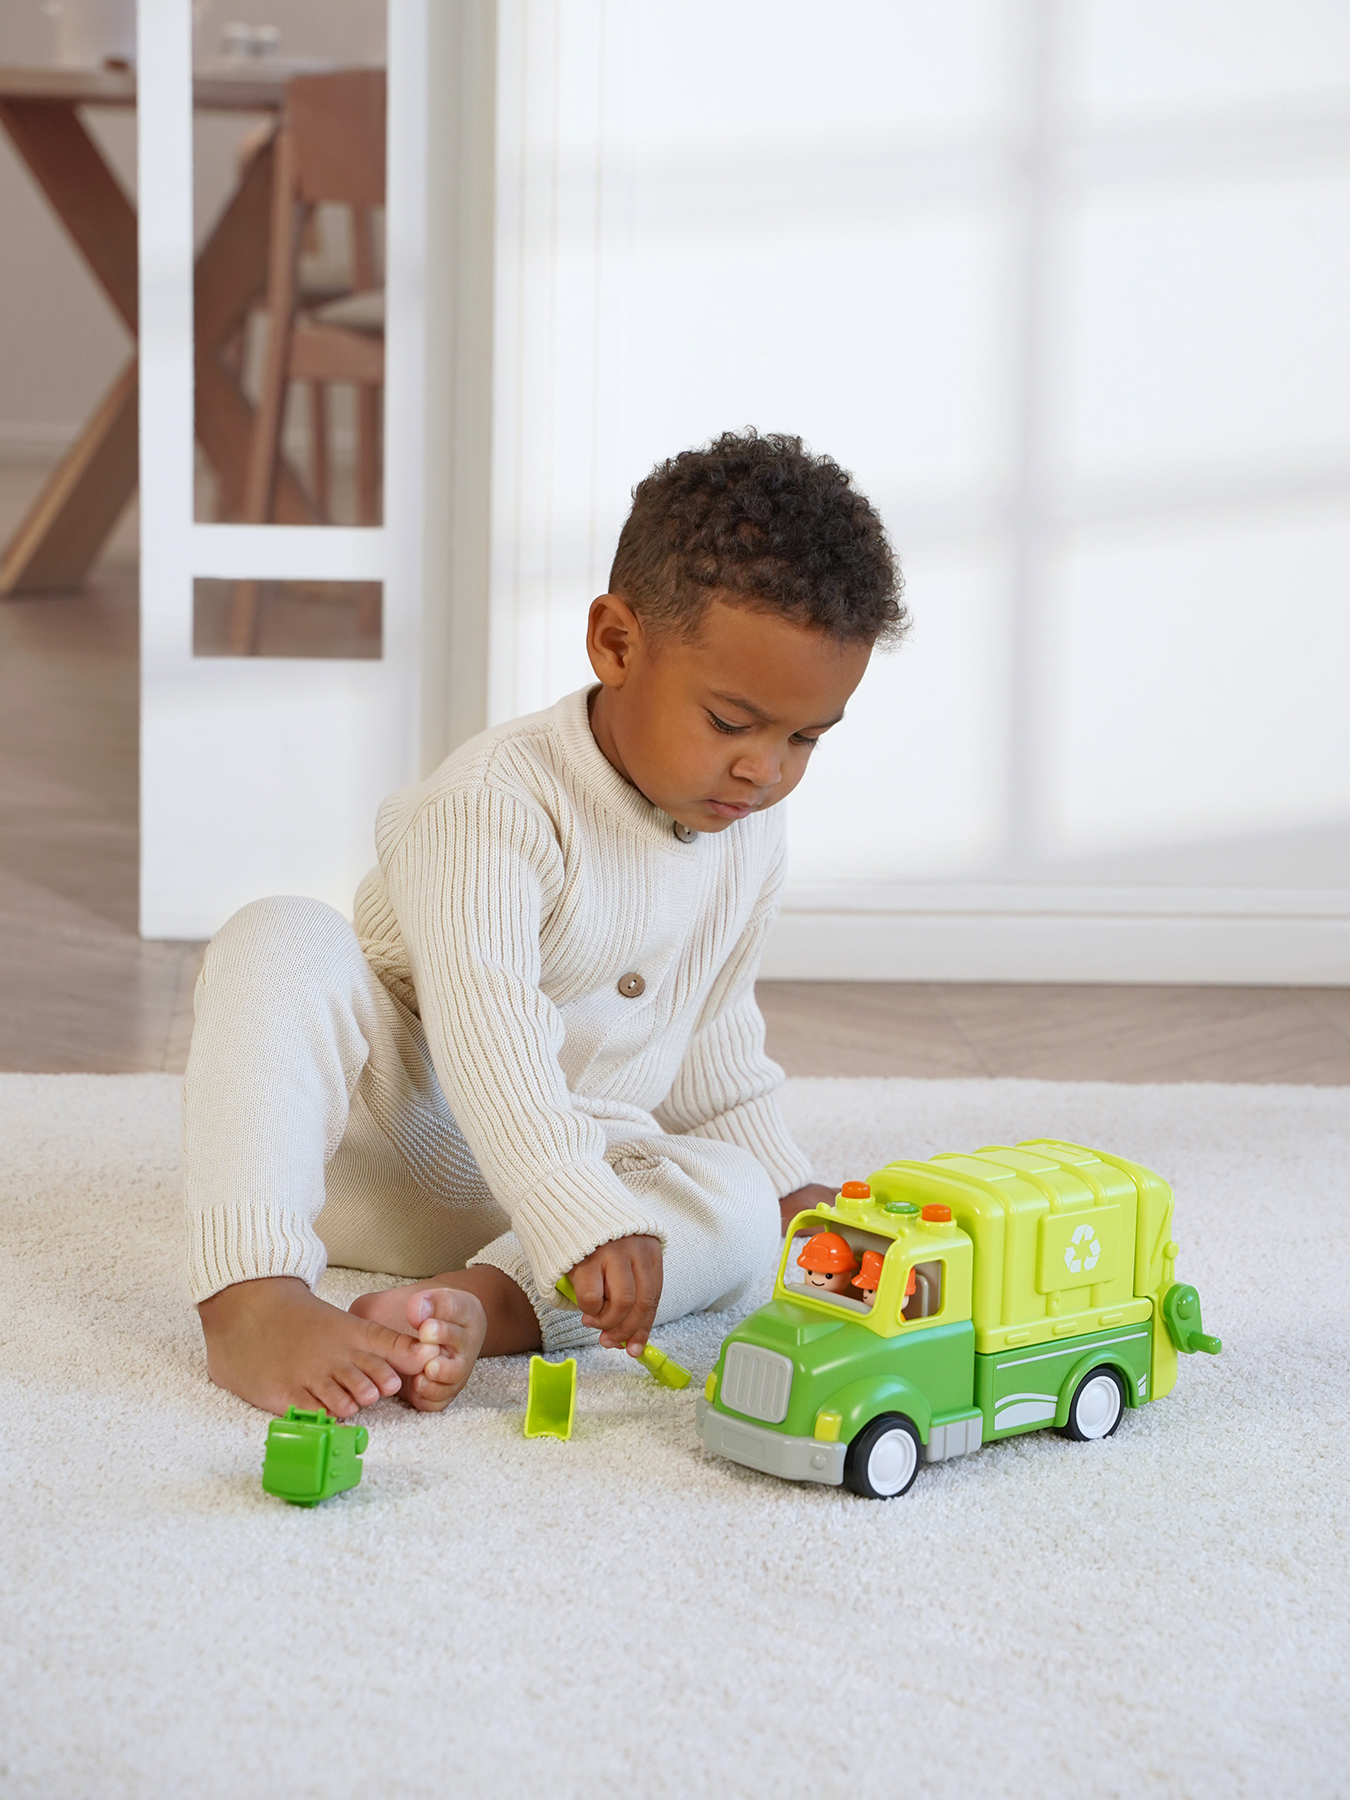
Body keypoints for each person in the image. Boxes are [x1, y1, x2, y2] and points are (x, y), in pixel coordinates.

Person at [186, 429, 906, 1418]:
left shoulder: (747, 831)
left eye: (805, 738)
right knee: (278, 938)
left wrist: (783, 1189)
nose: (765, 769)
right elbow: (486, 1028)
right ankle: (255, 1299)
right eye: (731, 723)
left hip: (568, 1195)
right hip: (388, 1141)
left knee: (737, 1208)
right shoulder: (492, 802)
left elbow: (712, 1034)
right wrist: (576, 1206)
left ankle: (480, 1306)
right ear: (617, 643)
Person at [795, 1231, 861, 1297]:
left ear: (848, 1278)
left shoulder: (839, 1300)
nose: (817, 1280)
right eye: (810, 1272)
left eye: (828, 1276)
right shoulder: (802, 1291)